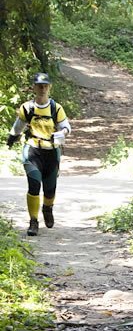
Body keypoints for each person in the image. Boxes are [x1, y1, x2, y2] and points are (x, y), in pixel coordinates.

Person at [6, 72, 71, 236]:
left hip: (51, 152)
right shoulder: (27, 108)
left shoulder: (56, 108)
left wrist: (62, 132)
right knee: (34, 186)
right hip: (32, 150)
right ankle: (33, 221)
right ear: (34, 87)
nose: (42, 89)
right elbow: (18, 126)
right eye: (39, 86)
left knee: (50, 190)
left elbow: (66, 126)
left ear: (49, 87)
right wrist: (11, 138)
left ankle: (47, 208)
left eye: (45, 86)